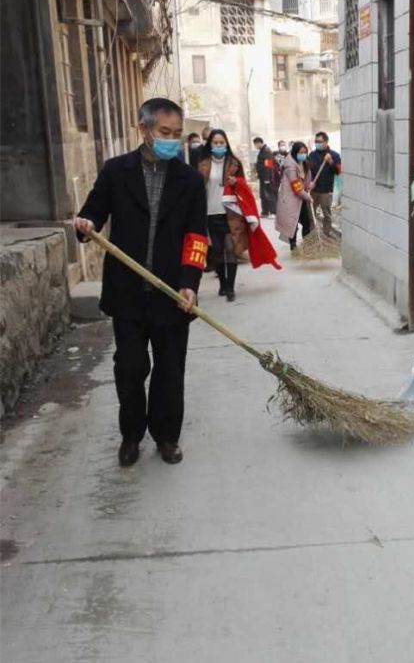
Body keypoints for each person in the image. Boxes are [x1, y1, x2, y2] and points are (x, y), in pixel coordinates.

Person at [74, 98, 207, 467]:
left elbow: (197, 238)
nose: (171, 141)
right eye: (164, 133)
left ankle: (166, 436)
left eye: (177, 135)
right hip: (127, 293)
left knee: (170, 369)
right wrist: (85, 225)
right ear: (143, 129)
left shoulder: (190, 181)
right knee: (130, 368)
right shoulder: (117, 172)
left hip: (170, 292)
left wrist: (189, 283)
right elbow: (93, 213)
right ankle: (131, 435)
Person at [199, 129, 280, 300]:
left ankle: (230, 287)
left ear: (226, 144)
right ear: (210, 144)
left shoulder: (234, 163)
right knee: (218, 251)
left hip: (232, 213)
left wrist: (237, 182)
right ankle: (222, 283)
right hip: (210, 212)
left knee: (231, 249)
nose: (219, 146)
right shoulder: (203, 164)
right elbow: (198, 189)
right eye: (215, 143)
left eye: (222, 143)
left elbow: (245, 186)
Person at [275, 142, 314, 251]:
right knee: (293, 224)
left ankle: (307, 246)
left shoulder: (304, 163)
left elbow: (305, 180)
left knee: (307, 222)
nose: (303, 154)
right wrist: (308, 197)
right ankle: (293, 246)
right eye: (301, 152)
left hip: (301, 198)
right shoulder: (290, 167)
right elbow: (296, 186)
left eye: (305, 152)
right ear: (295, 152)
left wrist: (309, 185)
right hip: (291, 200)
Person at [308, 131, 341, 236]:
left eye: (319, 141)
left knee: (327, 214)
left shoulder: (334, 155)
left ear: (326, 142)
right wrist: (310, 182)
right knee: (311, 213)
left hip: (326, 191)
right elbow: (308, 171)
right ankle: (311, 234)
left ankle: (326, 233)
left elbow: (338, 171)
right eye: (316, 141)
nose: (317, 143)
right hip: (313, 190)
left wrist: (331, 161)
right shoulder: (312, 155)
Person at [253, 136, 276, 217]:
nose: (255, 146)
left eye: (255, 144)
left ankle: (273, 212)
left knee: (269, 194)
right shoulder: (262, 151)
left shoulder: (266, 151)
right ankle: (265, 212)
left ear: (259, 143)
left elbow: (268, 165)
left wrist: (267, 178)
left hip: (267, 177)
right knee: (263, 195)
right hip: (262, 177)